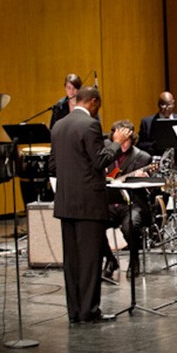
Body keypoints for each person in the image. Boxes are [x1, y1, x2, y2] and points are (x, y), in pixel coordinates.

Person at [50, 86, 133, 323]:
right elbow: (100, 161)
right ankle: (89, 311)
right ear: (94, 102)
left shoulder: (58, 125)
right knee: (89, 260)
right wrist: (116, 143)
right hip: (88, 202)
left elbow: (53, 167)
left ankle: (75, 311)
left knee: (73, 262)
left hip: (66, 202)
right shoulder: (90, 125)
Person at [104, 120, 154, 278]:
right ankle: (110, 260)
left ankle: (134, 259)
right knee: (92, 225)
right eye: (120, 140)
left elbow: (152, 190)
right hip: (110, 202)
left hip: (133, 204)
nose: (123, 144)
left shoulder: (143, 158)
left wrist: (143, 179)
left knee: (130, 226)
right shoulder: (106, 153)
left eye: (127, 140)